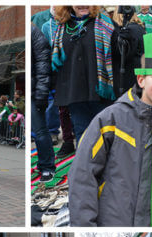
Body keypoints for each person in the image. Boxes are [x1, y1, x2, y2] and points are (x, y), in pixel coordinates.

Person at [69, 32, 152, 226]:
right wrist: (84, 226)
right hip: (113, 221)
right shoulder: (110, 120)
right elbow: (83, 175)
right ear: (141, 80)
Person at [50, 6, 118, 149]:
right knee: (82, 134)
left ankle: (108, 169)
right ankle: (86, 170)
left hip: (100, 92)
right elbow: (58, 61)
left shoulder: (105, 23)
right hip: (75, 93)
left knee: (106, 134)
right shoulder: (62, 27)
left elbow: (118, 54)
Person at [32, 24, 55, 183]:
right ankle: (42, 164)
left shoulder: (34, 33)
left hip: (34, 91)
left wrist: (41, 92)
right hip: (32, 89)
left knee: (40, 132)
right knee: (36, 132)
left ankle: (47, 166)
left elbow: (43, 65)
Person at [111, 6, 146, 98]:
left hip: (128, 77)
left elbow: (125, 54)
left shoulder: (128, 31)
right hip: (139, 74)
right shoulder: (140, 28)